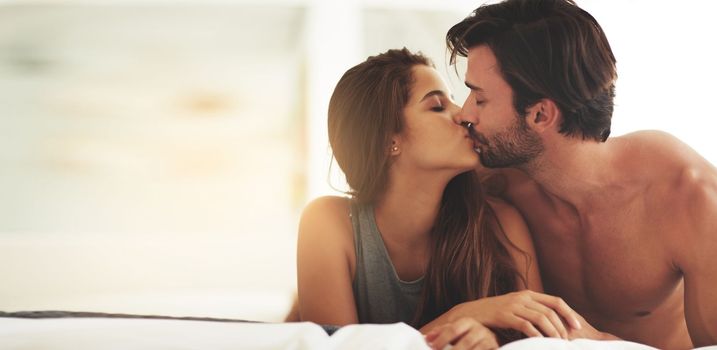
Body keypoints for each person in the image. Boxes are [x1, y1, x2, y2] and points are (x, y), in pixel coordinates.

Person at [446, 0, 717, 348]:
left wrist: (601, 342)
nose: (464, 113)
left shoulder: (689, 194)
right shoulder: (496, 183)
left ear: (541, 115)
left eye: (480, 99)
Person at [295, 47, 589, 349]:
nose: (463, 114)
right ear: (388, 140)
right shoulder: (330, 223)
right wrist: (462, 316)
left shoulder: (501, 223)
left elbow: (543, 342)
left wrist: (492, 340)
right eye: (437, 106)